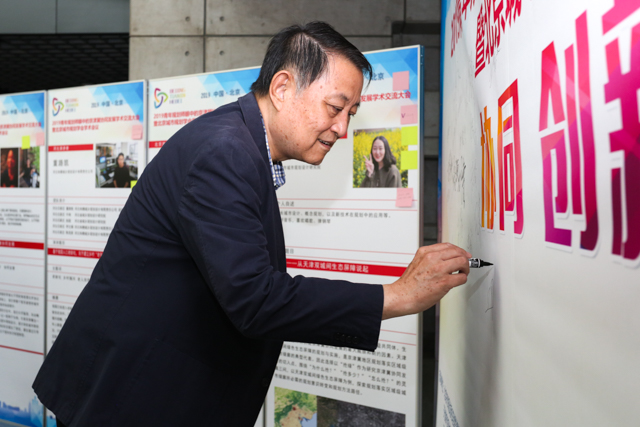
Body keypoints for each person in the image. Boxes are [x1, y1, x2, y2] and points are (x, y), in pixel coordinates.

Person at [33, 22, 470, 427]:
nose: (341, 128)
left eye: (351, 113)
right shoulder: (224, 151)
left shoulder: (241, 146)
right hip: (128, 397)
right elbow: (254, 298)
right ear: (282, 88)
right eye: (335, 107)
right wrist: (396, 296)